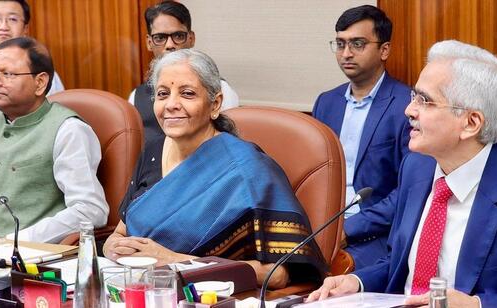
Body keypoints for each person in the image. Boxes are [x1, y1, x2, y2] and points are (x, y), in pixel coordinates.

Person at [307, 40, 497, 308]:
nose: (409, 110)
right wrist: (357, 282)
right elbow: (400, 261)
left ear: (470, 123)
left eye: (425, 101)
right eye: (414, 97)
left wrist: (477, 305)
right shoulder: (417, 168)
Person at [104, 49, 324, 289]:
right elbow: (120, 232)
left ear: (215, 104)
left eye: (187, 94)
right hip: (141, 292)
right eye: (163, 94)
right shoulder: (153, 152)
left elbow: (278, 273)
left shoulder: (248, 170)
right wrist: (112, 246)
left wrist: (177, 262)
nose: (171, 105)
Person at [0, 37, 109, 244]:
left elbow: (90, 209)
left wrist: (11, 241)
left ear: (40, 82)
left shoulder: (68, 129)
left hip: (37, 261)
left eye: (8, 74)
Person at [311, 5, 411, 269]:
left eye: (357, 44)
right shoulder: (326, 102)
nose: (346, 53)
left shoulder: (407, 106)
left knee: (334, 274)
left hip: (376, 231)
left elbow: (409, 190)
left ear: (384, 49)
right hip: (321, 225)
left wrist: (348, 228)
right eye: (340, 44)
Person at [128, 0, 239, 146]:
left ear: (191, 38)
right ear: (149, 42)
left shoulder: (220, 89)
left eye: (178, 36)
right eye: (160, 38)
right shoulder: (136, 96)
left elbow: (229, 146)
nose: (170, 45)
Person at [0, 0, 64, 127]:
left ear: (25, 28)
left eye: (12, 19)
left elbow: (56, 123)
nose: (3, 26)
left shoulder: (41, 74)